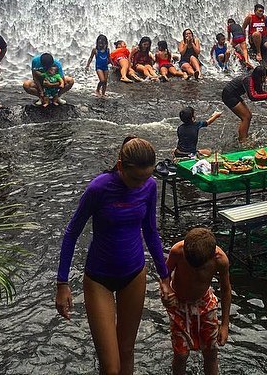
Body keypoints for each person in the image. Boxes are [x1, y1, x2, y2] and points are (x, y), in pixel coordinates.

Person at [54, 137, 173, 375]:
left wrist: (164, 276)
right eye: (135, 178)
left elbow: (150, 231)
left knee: (127, 351)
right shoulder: (99, 188)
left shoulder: (149, 186)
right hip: (100, 279)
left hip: (135, 274)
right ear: (120, 166)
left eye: (145, 177)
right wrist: (62, 283)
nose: (140, 184)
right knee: (110, 367)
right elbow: (71, 232)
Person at [163, 228, 231, 375]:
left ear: (211, 256)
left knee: (211, 352)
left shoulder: (220, 260)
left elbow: (226, 290)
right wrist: (166, 291)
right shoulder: (177, 251)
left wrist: (225, 325)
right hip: (179, 305)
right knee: (181, 355)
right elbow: (164, 275)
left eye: (200, 267)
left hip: (205, 303)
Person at [220, 65, 267, 142]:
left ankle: (243, 136)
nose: (265, 79)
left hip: (235, 94)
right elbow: (252, 97)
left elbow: (260, 92)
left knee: (248, 116)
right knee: (246, 117)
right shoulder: (248, 80)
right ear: (260, 76)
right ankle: (242, 140)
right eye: (264, 77)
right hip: (228, 95)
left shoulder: (256, 80)